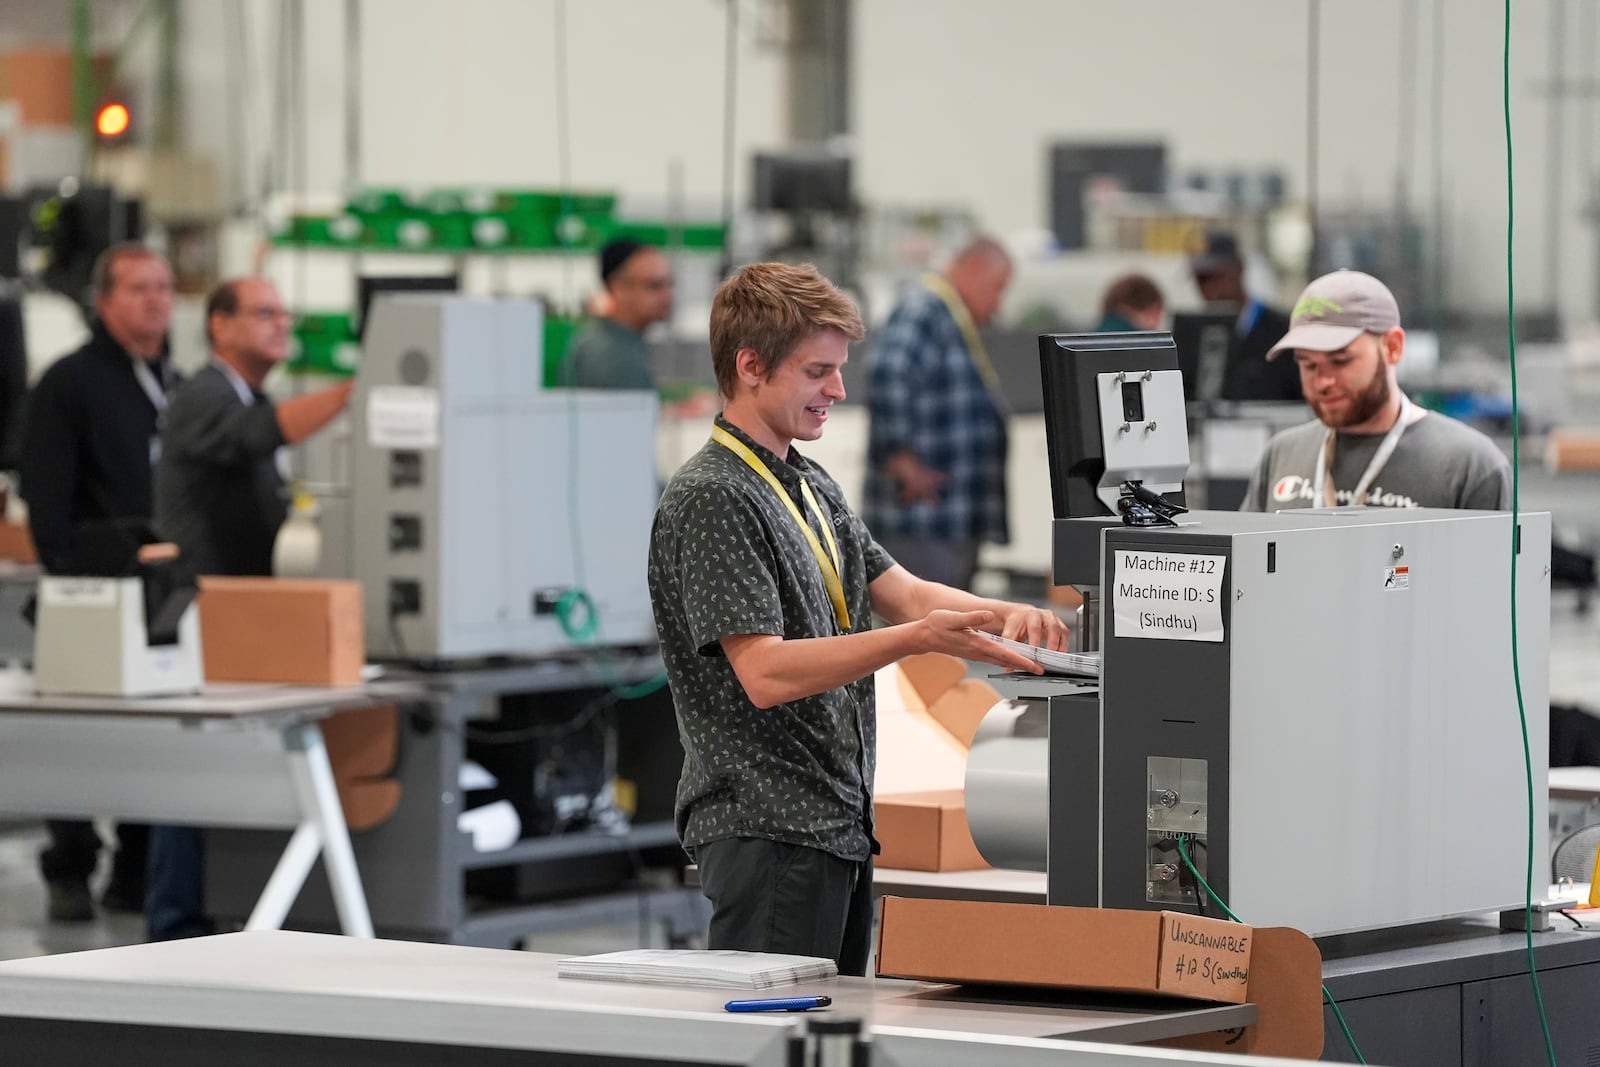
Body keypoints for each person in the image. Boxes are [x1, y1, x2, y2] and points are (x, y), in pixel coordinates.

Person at [648, 261, 1067, 976]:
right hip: (767, 829)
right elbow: (766, 671)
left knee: (829, 1037)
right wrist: (917, 642)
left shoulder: (805, 482)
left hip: (834, 826)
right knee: (773, 1042)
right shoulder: (715, 497)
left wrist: (1006, 615)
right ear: (750, 366)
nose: (838, 391)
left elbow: (901, 590)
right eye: (818, 372)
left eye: (839, 370)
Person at [147, 276, 353, 940]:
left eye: (285, 313)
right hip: (203, 614)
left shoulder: (246, 393)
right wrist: (362, 388)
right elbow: (256, 434)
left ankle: (207, 912)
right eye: (264, 313)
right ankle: (175, 921)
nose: (280, 323)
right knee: (188, 779)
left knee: (219, 776)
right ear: (220, 325)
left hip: (240, 617)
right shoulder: (206, 394)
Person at [15, 242, 177, 923]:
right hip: (87, 585)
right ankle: (70, 864)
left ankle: (136, 867)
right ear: (103, 300)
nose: (155, 299)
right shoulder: (70, 382)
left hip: (158, 589)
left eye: (164, 288)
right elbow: (45, 495)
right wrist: (69, 572)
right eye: (138, 288)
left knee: (159, 741)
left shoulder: (173, 380)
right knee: (80, 740)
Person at [1241, 269, 1510, 512]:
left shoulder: (1469, 465)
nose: (1323, 381)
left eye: (1340, 361)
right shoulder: (1282, 456)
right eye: (1308, 364)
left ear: (1392, 347)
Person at [863, 236, 1014, 590]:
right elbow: (888, 373)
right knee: (927, 634)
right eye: (998, 287)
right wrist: (901, 457)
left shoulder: (948, 315)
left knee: (948, 633)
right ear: (975, 269)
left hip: (949, 518)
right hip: (924, 517)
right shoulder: (925, 309)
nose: (998, 303)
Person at [1189, 231, 1302, 402]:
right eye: (1201, 280)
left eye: (1216, 277)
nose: (1209, 289)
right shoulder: (1194, 336)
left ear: (1239, 268)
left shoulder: (1283, 330)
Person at [564, 239, 674, 390]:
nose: (667, 295)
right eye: (654, 286)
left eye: (669, 284)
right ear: (618, 288)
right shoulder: (609, 355)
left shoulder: (622, 343)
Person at [1095, 273, 1165, 333]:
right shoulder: (1142, 342)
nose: (1157, 325)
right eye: (1158, 315)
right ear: (1153, 310)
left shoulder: (1091, 336)